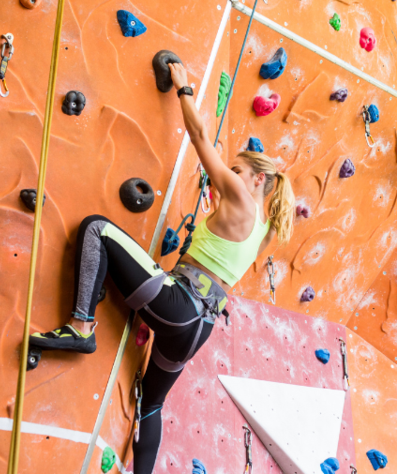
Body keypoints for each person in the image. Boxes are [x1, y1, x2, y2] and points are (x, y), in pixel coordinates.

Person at [28, 62, 294, 474]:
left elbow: (201, 137)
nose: (231, 175)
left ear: (258, 181)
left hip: (179, 302)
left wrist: (184, 89)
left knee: (96, 228)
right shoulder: (263, 230)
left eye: (238, 170)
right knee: (151, 404)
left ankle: (81, 326)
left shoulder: (242, 197)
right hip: (198, 329)